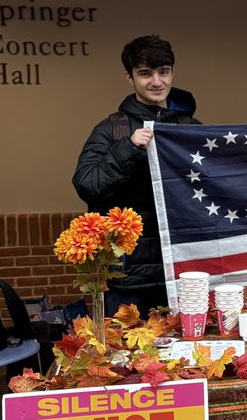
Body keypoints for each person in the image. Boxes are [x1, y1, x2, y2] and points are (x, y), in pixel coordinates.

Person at [72, 34, 200, 315]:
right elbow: (86, 183)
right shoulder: (111, 129)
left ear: (172, 73)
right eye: (145, 73)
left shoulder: (191, 127)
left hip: (182, 271)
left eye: (163, 72)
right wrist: (129, 148)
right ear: (129, 78)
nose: (157, 81)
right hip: (128, 276)